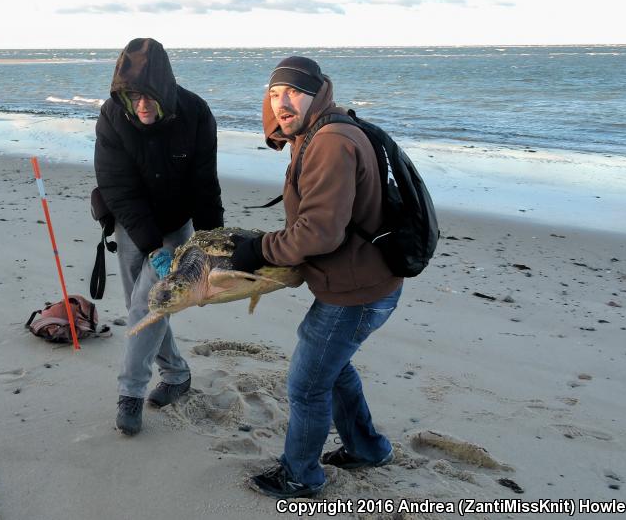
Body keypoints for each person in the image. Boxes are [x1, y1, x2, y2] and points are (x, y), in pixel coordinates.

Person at [230, 56, 403, 498]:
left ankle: (300, 475)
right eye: (274, 93)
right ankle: (368, 448)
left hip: (355, 292)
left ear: (317, 93)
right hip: (361, 282)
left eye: (293, 92)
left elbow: (320, 233)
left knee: (306, 386)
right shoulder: (318, 129)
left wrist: (259, 249)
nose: (282, 102)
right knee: (333, 365)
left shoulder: (330, 141)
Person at [94, 38, 224, 436]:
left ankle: (130, 393)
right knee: (144, 306)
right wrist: (152, 247)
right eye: (133, 96)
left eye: (149, 96)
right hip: (133, 223)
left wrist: (210, 242)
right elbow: (118, 188)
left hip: (177, 223)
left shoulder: (196, 112)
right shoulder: (113, 116)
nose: (142, 105)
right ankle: (178, 374)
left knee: (148, 306)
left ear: (165, 90)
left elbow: (205, 184)